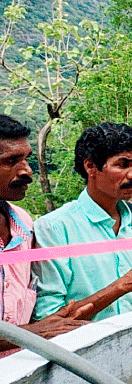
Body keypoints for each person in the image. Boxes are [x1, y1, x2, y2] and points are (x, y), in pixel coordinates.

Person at [33, 123, 132, 322]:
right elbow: (49, 318)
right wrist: (122, 286)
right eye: (123, 164)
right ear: (91, 167)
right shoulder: (55, 228)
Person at [0, 115, 90, 356]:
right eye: (11, 161)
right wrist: (33, 333)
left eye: (26, 158)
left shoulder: (24, 225)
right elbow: (36, 330)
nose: (27, 171)